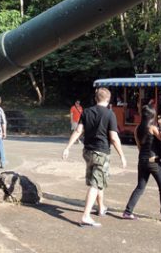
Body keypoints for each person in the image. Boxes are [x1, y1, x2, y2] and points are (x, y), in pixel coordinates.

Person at [62, 87, 127, 227]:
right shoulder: (110, 114)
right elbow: (114, 137)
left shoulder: (86, 111)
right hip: (101, 152)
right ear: (108, 99)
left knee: (98, 180)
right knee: (95, 184)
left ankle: (101, 207)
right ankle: (86, 216)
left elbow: (78, 130)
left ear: (96, 98)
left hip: (87, 151)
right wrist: (122, 155)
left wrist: (67, 147)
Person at [122, 105, 161, 222]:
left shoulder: (137, 129)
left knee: (140, 187)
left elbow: (139, 147)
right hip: (154, 161)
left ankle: (127, 212)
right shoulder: (152, 128)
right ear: (153, 116)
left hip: (142, 160)